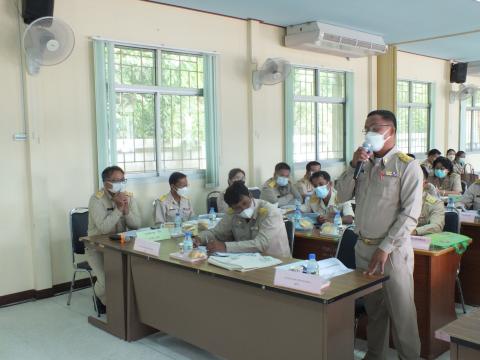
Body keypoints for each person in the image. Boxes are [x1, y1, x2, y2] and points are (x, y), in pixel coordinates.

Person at [336, 109, 422, 360]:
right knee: (374, 313)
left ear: (391, 131)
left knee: (402, 315)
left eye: (375, 128)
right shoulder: (363, 164)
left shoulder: (407, 166)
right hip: (364, 249)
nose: (370, 133)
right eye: (367, 129)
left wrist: (385, 248)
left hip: (392, 252)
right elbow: (341, 196)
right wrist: (353, 165)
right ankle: (375, 356)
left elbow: (410, 215)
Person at [87, 166, 141, 313]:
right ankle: (101, 298)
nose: (120, 183)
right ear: (106, 183)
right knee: (106, 281)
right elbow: (104, 228)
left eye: (122, 180)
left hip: (121, 245)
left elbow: (136, 224)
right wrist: (117, 209)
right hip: (96, 247)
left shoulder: (128, 197)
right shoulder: (96, 200)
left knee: (134, 275)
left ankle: (122, 306)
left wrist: (126, 210)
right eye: (116, 180)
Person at [197, 181, 290, 258]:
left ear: (250, 195)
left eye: (245, 203)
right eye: (237, 208)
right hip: (247, 260)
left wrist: (225, 246)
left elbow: (261, 244)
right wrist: (199, 238)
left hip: (276, 261)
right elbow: (217, 233)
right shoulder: (232, 213)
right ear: (231, 207)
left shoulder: (270, 212)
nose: (243, 209)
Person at [413, 166, 445, 235]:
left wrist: (415, 231)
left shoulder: (435, 203)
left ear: (425, 183)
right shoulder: (393, 200)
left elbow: (436, 226)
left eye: (413, 180)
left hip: (419, 241)